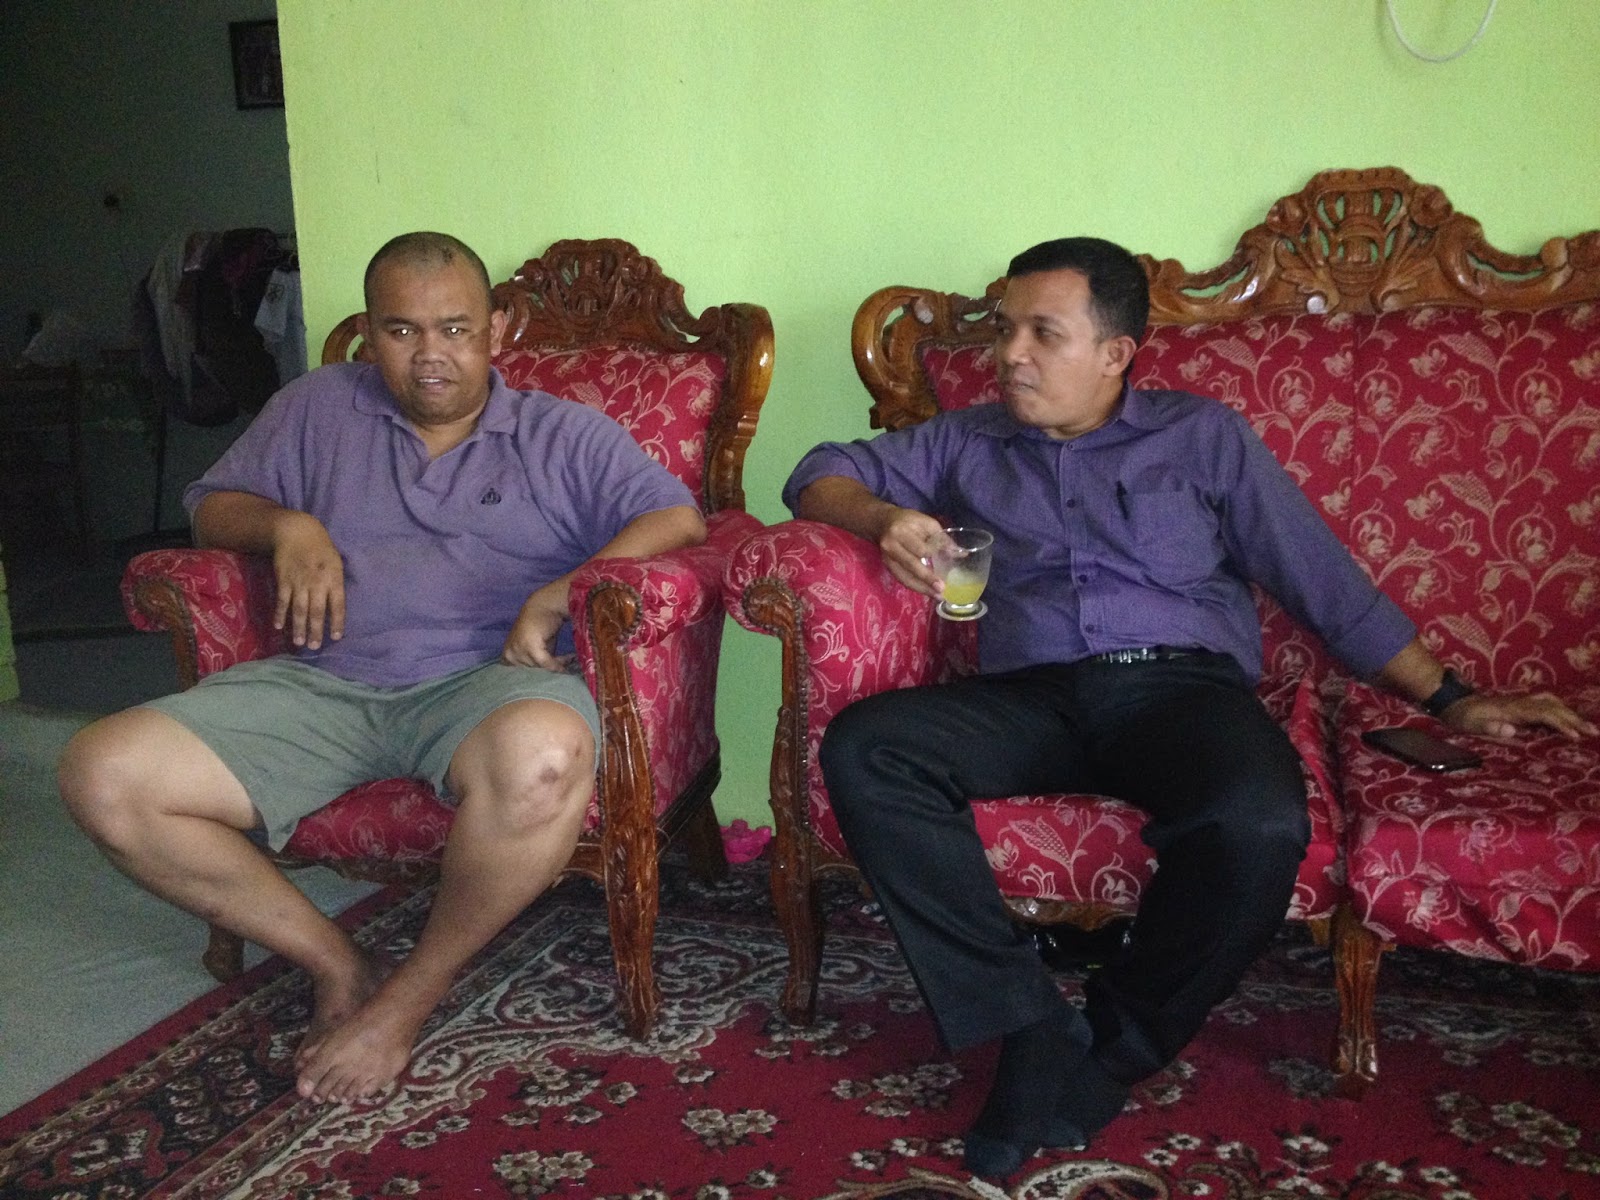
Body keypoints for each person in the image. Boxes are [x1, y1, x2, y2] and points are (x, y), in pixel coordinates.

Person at [784, 237, 1597, 1180]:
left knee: (1257, 819)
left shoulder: (1201, 436)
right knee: (868, 747)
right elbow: (816, 470)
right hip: (1032, 697)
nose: (1009, 354)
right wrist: (884, 519)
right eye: (1005, 331)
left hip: (1179, 692)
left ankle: (1117, 1046)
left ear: (1116, 353)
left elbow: (1319, 578)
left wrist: (1451, 699)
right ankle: (1028, 1025)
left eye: (1043, 333)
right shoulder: (968, 438)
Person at [58, 232, 706, 1106]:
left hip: (485, 687)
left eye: (455, 329)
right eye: (402, 331)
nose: (430, 354)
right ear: (369, 332)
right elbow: (213, 507)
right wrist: (289, 527)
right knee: (101, 772)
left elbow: (675, 517)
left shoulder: (559, 433)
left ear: (497, 330)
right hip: (323, 683)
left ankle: (408, 997)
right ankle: (339, 961)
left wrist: (563, 589)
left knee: (547, 753)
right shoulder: (317, 405)